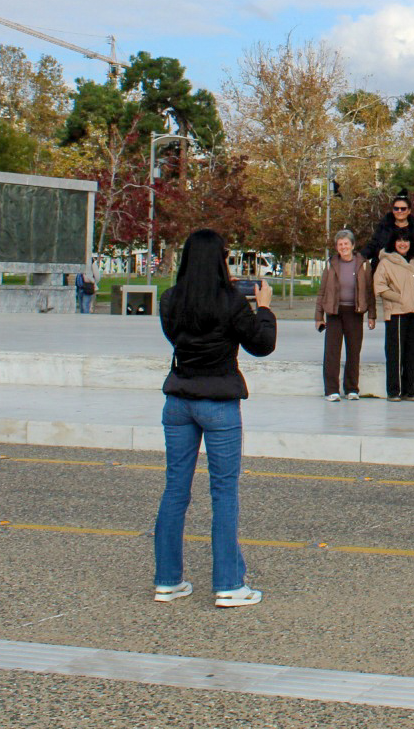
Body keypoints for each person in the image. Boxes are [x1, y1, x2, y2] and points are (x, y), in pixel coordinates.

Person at [153, 227, 275, 608]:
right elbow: (261, 344)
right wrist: (265, 307)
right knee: (223, 492)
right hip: (219, 400)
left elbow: (176, 337)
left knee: (176, 489)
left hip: (179, 399)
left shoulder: (172, 299)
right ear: (221, 260)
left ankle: (168, 579)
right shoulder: (231, 302)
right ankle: (227, 583)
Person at [317, 231, 375, 402]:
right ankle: (331, 390)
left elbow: (369, 292)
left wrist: (371, 315)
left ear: (353, 245)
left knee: (354, 351)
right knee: (332, 352)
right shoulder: (331, 264)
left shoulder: (363, 264)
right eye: (340, 244)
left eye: (346, 243)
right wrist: (318, 316)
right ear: (336, 247)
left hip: (355, 312)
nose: (343, 247)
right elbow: (321, 292)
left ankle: (351, 389)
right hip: (334, 312)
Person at [373, 229, 414, 402]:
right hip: (396, 312)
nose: (403, 244)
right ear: (394, 242)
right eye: (399, 240)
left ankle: (411, 390)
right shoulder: (386, 262)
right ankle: (394, 390)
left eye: (406, 240)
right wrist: (399, 298)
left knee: (413, 353)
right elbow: (379, 287)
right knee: (395, 353)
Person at [364, 192, 414, 264]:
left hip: (411, 269)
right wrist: (360, 257)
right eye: (396, 208)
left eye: (403, 209)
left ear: (409, 211)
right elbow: (373, 246)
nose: (399, 211)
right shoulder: (384, 228)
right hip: (385, 268)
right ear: (393, 210)